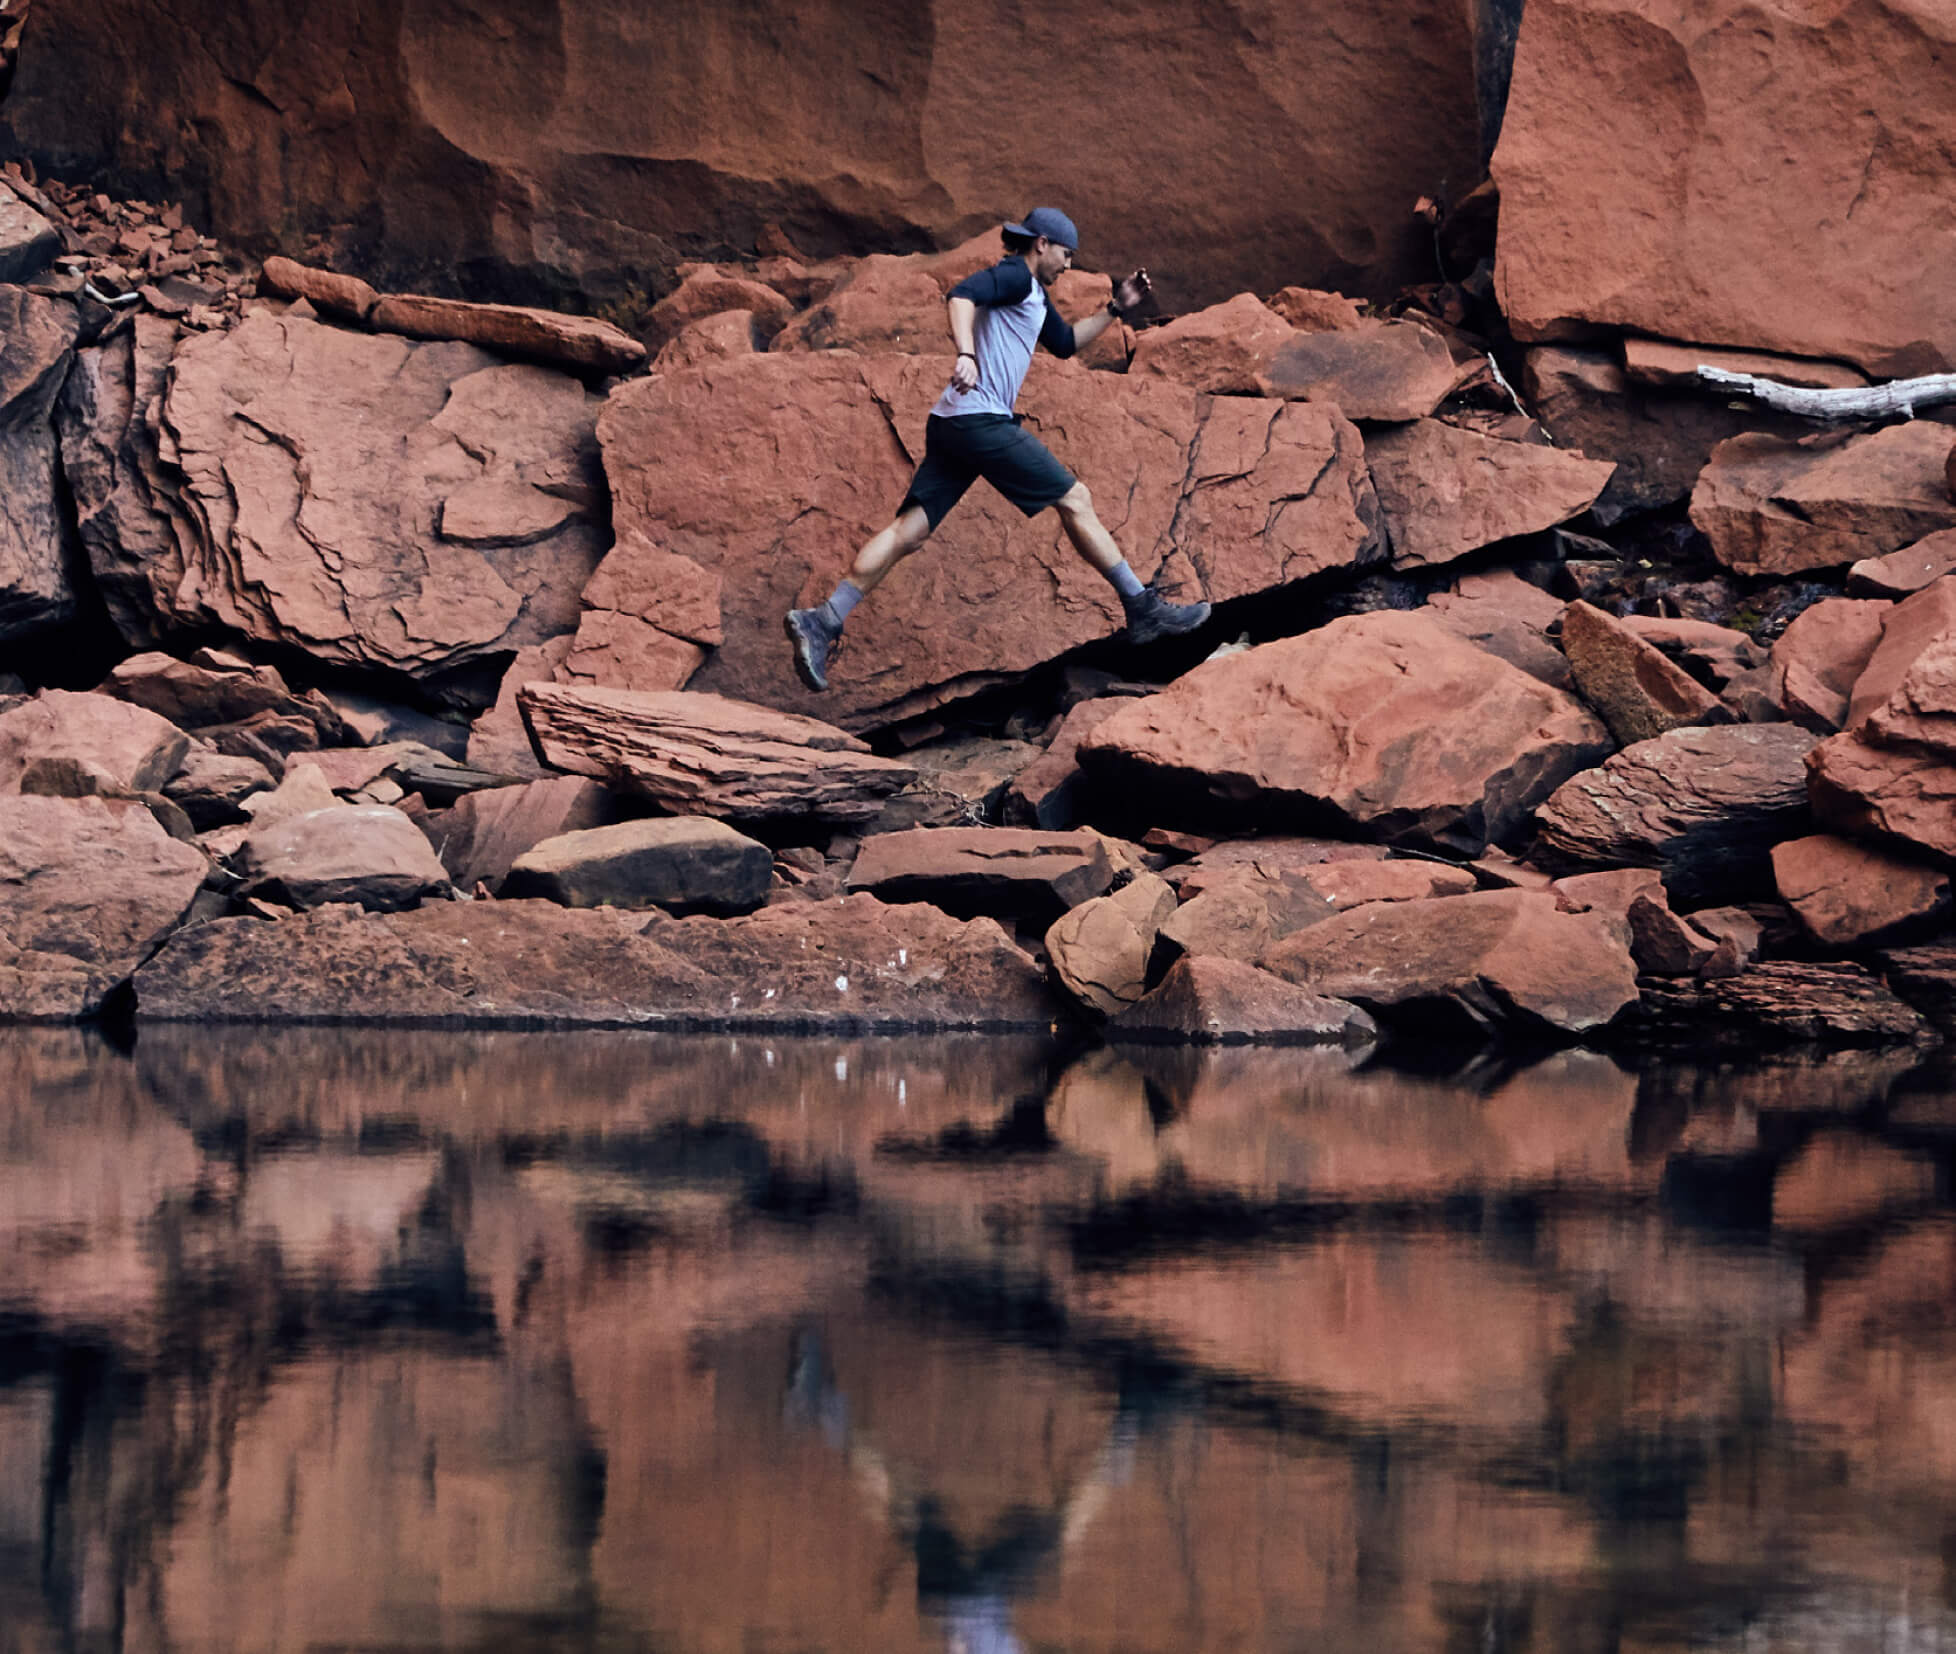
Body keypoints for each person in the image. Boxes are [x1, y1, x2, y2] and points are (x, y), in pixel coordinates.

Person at [784, 206, 1212, 692]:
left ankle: (823, 619)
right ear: (1042, 244)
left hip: (951, 423)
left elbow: (1066, 343)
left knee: (910, 531)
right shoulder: (1013, 274)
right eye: (1067, 254)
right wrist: (966, 353)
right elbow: (962, 296)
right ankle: (1143, 608)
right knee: (1075, 499)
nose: (1069, 266)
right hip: (980, 419)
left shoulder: (1032, 294)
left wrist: (1115, 309)